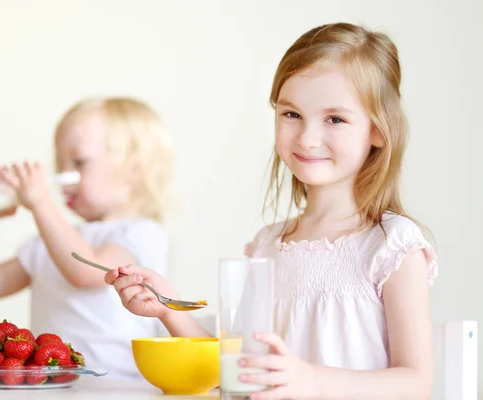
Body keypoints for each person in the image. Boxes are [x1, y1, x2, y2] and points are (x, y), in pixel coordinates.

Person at [104, 23, 438, 399]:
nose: (307, 137)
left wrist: (309, 380)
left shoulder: (392, 246)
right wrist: (168, 307)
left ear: (378, 130)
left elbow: (416, 382)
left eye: (335, 119)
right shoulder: (267, 246)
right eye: (291, 114)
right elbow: (233, 367)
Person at [0, 96, 175, 380]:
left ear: (135, 169)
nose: (64, 176)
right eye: (60, 164)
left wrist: (41, 205)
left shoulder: (140, 233)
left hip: (118, 386)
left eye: (79, 162)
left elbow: (86, 272)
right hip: (54, 385)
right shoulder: (52, 240)